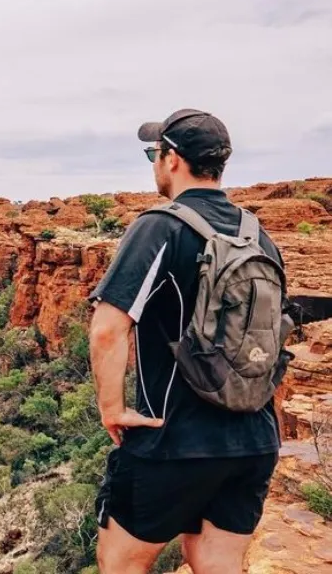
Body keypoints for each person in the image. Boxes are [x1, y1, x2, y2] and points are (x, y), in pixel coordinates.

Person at [87, 109, 284, 574]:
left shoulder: (159, 227)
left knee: (120, 562)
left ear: (171, 159)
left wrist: (111, 409)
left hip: (173, 438)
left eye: (154, 152)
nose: (154, 161)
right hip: (254, 439)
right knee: (215, 561)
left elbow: (107, 328)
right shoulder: (259, 235)